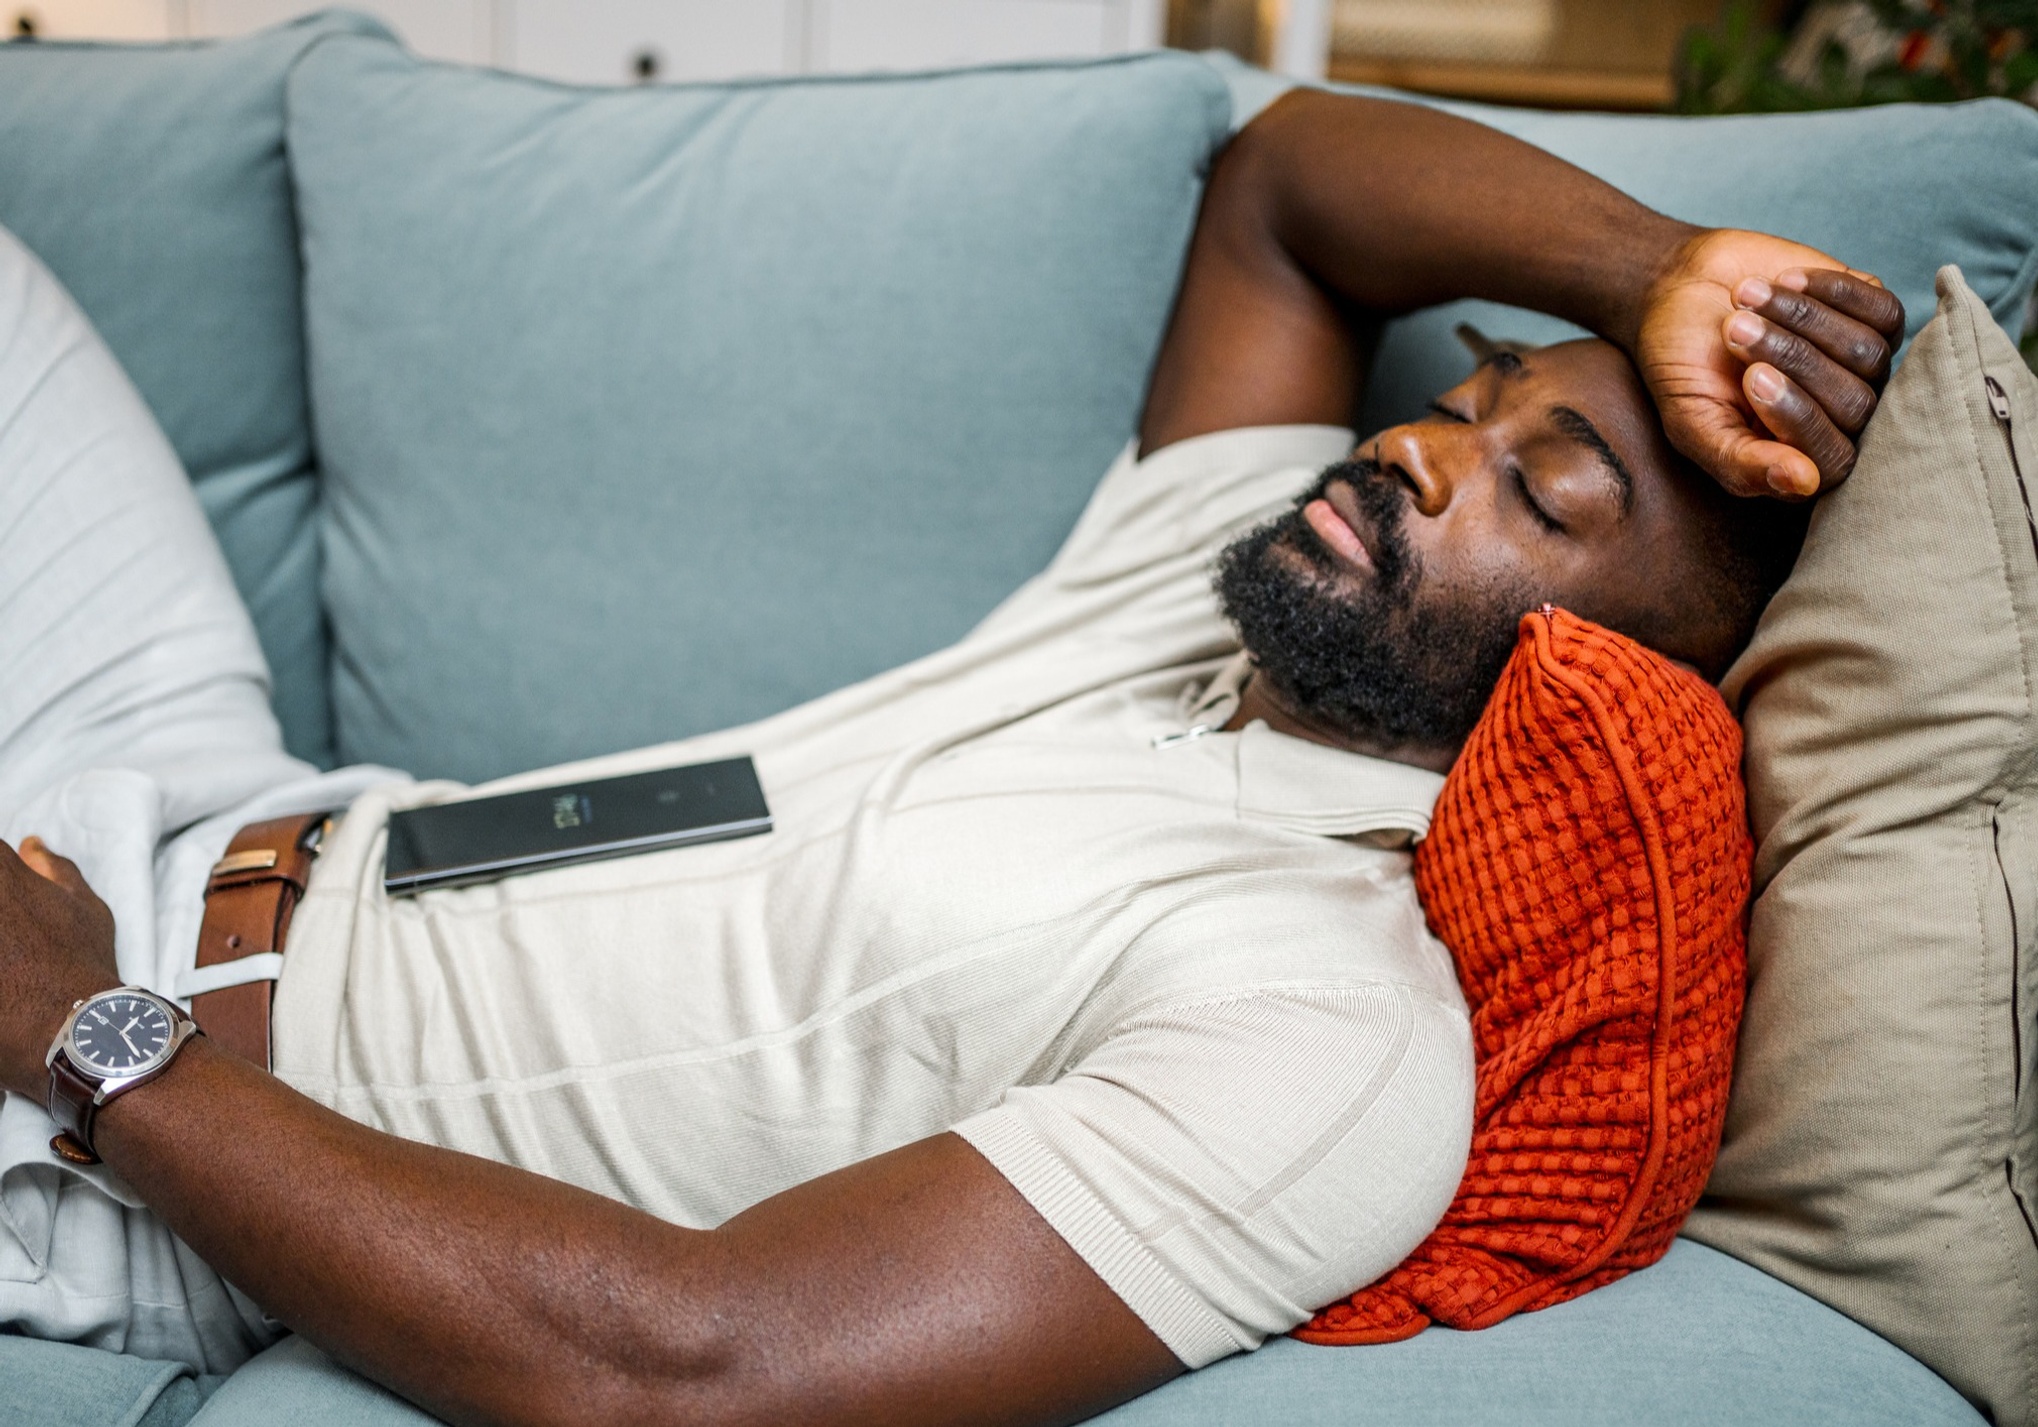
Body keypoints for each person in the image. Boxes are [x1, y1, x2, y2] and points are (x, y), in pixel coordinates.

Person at [0, 86, 1901, 1426]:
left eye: (1537, 491)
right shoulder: (1222, 594)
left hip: (132, 1127)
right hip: (197, 783)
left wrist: (90, 1042)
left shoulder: (1325, 1030)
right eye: (1469, 396)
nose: (1419, 448)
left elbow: (693, 1366)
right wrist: (1664, 276)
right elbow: (1282, 185)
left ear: (1631, 682)